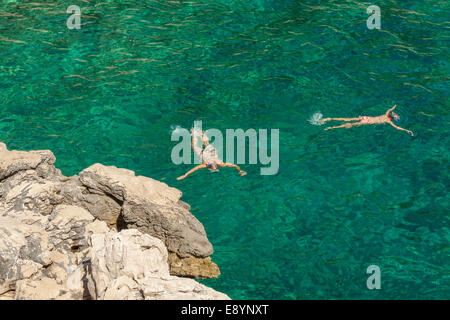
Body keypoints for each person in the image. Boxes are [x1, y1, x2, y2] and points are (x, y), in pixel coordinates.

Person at [177, 128, 247, 180]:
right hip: (204, 154)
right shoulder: (205, 165)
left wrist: (240, 170)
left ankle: (202, 134)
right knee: (194, 146)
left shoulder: (222, 164)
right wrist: (185, 175)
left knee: (207, 144)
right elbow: (194, 169)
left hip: (212, 152)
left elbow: (234, 165)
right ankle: (194, 133)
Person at [321, 105, 414, 136]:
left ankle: (329, 119)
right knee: (350, 124)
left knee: (348, 119)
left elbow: (390, 110)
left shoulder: (386, 114)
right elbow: (397, 127)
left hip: (366, 117)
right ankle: (332, 127)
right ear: (393, 119)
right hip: (368, 122)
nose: (396, 114)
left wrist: (393, 107)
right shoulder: (388, 121)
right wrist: (407, 130)